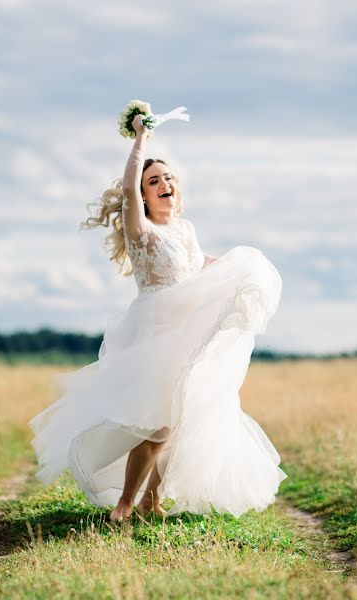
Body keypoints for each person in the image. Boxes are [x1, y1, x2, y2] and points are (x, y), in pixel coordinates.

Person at [28, 114, 286, 522]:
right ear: (143, 195)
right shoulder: (140, 229)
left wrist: (245, 276)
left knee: (181, 422)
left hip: (189, 333)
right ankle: (125, 505)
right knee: (157, 426)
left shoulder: (185, 230)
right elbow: (128, 186)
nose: (165, 184)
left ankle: (153, 499)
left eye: (168, 178)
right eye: (155, 181)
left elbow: (203, 267)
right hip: (152, 336)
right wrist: (141, 138)